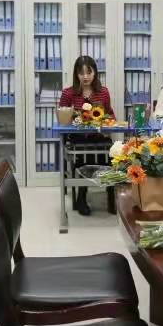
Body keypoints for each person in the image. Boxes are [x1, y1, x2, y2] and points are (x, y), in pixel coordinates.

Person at [59, 56, 114, 216]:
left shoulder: (103, 92)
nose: (85, 77)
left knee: (110, 154)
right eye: (81, 73)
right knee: (87, 153)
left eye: (89, 72)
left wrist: (107, 119)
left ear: (95, 73)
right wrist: (75, 119)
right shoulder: (68, 93)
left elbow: (110, 114)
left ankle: (111, 195)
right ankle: (81, 196)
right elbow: (62, 118)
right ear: (76, 74)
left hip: (98, 135)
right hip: (77, 138)